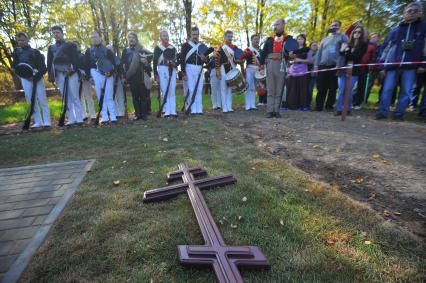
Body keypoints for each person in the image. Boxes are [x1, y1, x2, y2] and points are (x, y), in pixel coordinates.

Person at [376, 2, 426, 121]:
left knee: (406, 91)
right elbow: (385, 48)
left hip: (410, 66)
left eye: (415, 11)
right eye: (409, 11)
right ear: (404, 14)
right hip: (393, 65)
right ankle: (383, 112)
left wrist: (423, 63)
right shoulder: (395, 30)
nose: (412, 13)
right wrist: (381, 65)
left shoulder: (423, 28)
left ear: (420, 13)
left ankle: (399, 114)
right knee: (387, 89)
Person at [12, 32, 51, 128]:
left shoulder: (35, 52)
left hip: (36, 76)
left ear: (27, 39)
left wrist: (35, 76)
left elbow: (43, 67)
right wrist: (25, 76)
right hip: (24, 78)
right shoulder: (16, 53)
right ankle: (38, 121)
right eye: (19, 40)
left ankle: (47, 121)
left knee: (42, 99)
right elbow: (16, 67)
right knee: (30, 99)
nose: (21, 42)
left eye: (22, 40)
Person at [47, 25, 83, 126]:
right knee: (66, 97)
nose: (55, 34)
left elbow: (76, 59)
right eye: (54, 33)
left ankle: (79, 118)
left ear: (62, 33)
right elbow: (49, 63)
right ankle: (71, 118)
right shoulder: (51, 48)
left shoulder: (70, 45)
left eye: (57, 32)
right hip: (59, 74)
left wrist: (72, 69)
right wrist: (51, 76)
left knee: (75, 96)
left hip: (71, 73)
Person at [259, 18, 293, 118]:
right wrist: (261, 65)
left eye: (277, 24)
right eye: (274, 25)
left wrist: (291, 55)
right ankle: (269, 111)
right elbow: (263, 53)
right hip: (270, 64)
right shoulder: (269, 40)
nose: (275, 27)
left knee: (279, 89)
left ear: (283, 25)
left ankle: (276, 111)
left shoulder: (289, 39)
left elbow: (291, 53)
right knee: (270, 88)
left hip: (282, 64)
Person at [314, 20, 349, 111]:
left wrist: (341, 34)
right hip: (323, 65)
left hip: (335, 66)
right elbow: (319, 52)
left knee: (333, 87)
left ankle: (329, 106)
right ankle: (319, 106)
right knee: (321, 87)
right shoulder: (324, 39)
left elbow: (348, 43)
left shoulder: (342, 37)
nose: (334, 27)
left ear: (339, 27)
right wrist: (316, 65)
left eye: (336, 25)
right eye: (332, 26)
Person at [84, 31, 117, 124]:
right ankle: (105, 117)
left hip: (107, 75)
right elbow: (86, 65)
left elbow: (113, 64)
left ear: (100, 38)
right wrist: (89, 77)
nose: (94, 39)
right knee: (100, 96)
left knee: (109, 96)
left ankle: (113, 116)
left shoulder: (107, 51)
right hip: (95, 73)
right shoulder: (88, 51)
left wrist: (110, 72)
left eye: (96, 37)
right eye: (92, 37)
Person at [335, 27, 368, 116]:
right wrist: (344, 51)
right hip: (342, 70)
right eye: (355, 32)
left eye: (359, 32)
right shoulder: (348, 44)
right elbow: (341, 55)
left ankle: (347, 109)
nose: (357, 33)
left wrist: (346, 52)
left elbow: (356, 57)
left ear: (362, 34)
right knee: (341, 90)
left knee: (349, 90)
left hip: (354, 71)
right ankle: (339, 109)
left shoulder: (363, 45)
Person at [180, 27, 212, 115]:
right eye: (193, 34)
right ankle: (193, 109)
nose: (195, 36)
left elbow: (208, 61)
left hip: (199, 68)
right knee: (191, 88)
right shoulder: (185, 45)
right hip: (189, 68)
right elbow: (182, 60)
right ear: (191, 34)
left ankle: (199, 109)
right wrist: (183, 72)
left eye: (197, 34)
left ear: (198, 34)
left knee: (199, 89)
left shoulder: (202, 46)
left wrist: (204, 59)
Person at [122, 32, 152, 120]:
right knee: (135, 97)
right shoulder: (125, 51)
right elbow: (123, 64)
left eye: (133, 37)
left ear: (136, 39)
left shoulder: (142, 49)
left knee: (143, 96)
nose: (131, 39)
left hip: (141, 76)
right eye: (129, 38)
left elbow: (151, 57)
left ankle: (144, 114)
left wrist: (145, 61)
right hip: (131, 77)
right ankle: (138, 115)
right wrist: (124, 76)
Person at [154, 30, 177, 117]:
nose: (165, 37)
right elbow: (155, 62)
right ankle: (167, 110)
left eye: (166, 35)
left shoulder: (173, 48)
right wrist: (156, 74)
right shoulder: (157, 48)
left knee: (172, 90)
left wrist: (173, 64)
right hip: (162, 68)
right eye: (163, 35)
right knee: (164, 90)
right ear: (160, 37)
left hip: (171, 69)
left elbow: (176, 61)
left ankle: (173, 110)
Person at [215, 30, 239, 113]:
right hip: (223, 68)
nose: (230, 38)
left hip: (231, 68)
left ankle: (229, 106)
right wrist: (217, 72)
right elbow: (217, 61)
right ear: (224, 37)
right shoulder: (221, 48)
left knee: (230, 89)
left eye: (231, 36)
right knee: (223, 88)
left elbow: (237, 58)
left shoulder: (235, 48)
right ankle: (224, 107)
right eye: (228, 36)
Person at [285, 34, 312, 110]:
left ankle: (301, 106)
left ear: (304, 40)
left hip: (302, 71)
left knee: (302, 89)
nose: (300, 40)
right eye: (298, 39)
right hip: (292, 71)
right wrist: (291, 58)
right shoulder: (293, 49)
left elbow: (309, 61)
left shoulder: (307, 49)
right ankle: (291, 105)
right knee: (292, 89)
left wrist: (300, 60)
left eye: (301, 39)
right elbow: (289, 60)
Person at [352, 31, 378, 109]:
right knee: (352, 86)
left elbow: (373, 57)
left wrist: (371, 66)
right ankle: (351, 100)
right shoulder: (356, 42)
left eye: (366, 33)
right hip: (354, 66)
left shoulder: (371, 46)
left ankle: (357, 103)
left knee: (361, 86)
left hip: (364, 68)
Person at [238, 34, 261, 110]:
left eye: (258, 39)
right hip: (249, 69)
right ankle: (247, 105)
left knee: (254, 87)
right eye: (255, 39)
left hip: (257, 70)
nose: (257, 40)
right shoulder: (247, 49)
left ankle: (253, 104)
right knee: (248, 86)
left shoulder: (260, 51)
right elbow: (242, 59)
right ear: (251, 40)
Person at [75, 41, 96, 121]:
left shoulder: (84, 56)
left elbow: (88, 66)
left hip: (86, 79)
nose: (75, 47)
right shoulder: (71, 58)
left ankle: (93, 115)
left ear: (80, 46)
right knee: (80, 98)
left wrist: (86, 75)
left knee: (88, 97)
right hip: (77, 79)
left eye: (77, 45)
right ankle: (83, 115)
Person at [106, 44, 126, 118]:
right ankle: (114, 112)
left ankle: (121, 112)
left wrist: (122, 77)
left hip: (117, 79)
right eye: (107, 49)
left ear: (113, 50)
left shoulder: (117, 59)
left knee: (120, 96)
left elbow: (121, 69)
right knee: (111, 96)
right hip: (108, 79)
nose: (109, 50)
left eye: (110, 49)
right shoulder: (104, 60)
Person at [307, 41, 319, 109]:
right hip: (308, 73)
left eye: (316, 45)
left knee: (315, 89)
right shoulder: (308, 53)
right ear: (310, 46)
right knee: (308, 89)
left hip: (317, 73)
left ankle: (314, 104)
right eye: (313, 45)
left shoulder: (319, 53)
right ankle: (307, 103)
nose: (315, 46)